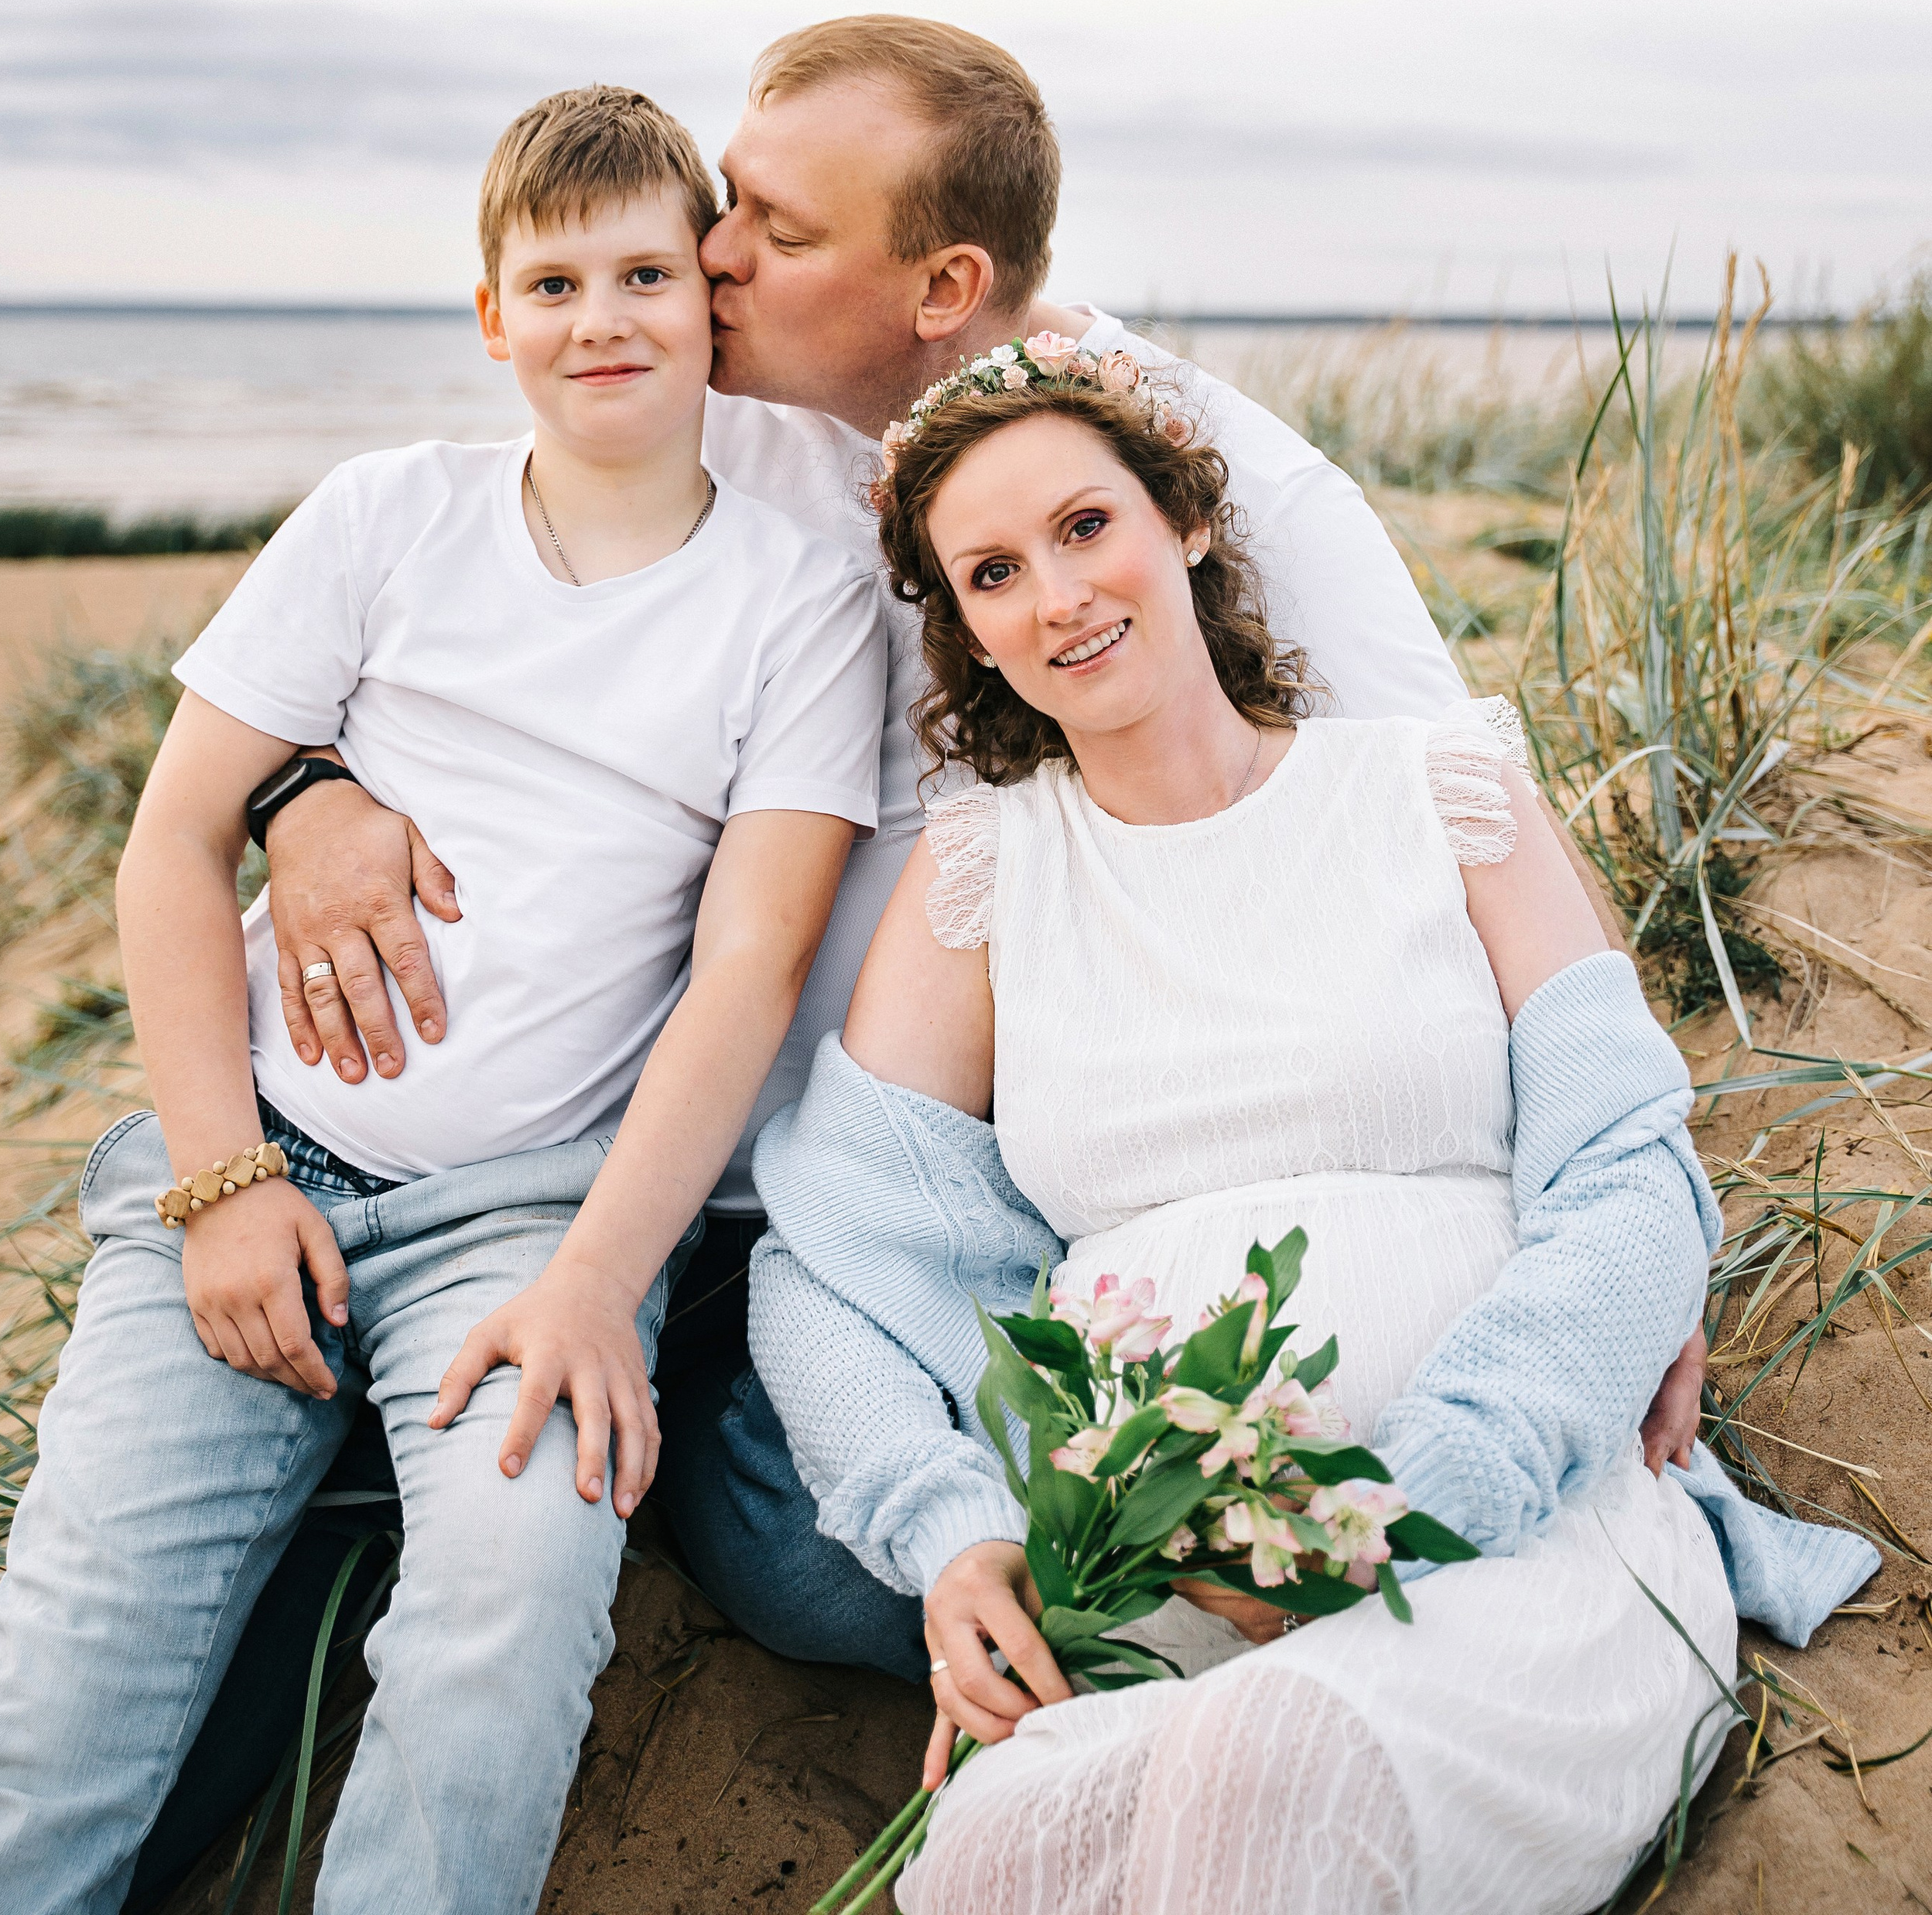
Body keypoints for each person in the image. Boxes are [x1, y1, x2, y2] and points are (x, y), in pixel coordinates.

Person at [252, 15, 1705, 1677]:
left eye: (774, 234)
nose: (705, 257)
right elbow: (426, 612)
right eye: (728, 203)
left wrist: (1647, 1249)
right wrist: (300, 789)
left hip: (1030, 1187)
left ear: (940, 289)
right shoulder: (724, 424)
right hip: (686, 1176)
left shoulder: (1209, 486)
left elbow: (1466, 826)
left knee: (818, 1543)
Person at [747, 337, 1876, 1915]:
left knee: (1270, 1775)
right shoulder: (983, 880)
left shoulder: (1442, 791)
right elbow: (824, 1278)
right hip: (1171, 1578)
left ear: (1186, 523)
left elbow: (1627, 1174)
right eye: (992, 573)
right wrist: (943, 1531)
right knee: (996, 1854)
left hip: (1516, 1533)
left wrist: (1426, 1494)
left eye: (1086, 528)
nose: (1057, 596)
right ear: (968, 633)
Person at [0, 85, 887, 1915]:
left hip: (527, 1229)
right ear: (489, 318)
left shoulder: (797, 602)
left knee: (498, 1653)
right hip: (252, 1178)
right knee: (72, 1690)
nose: (598, 319)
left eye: (641, 274)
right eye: (550, 282)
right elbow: (169, 854)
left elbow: (747, 967)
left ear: (708, 298)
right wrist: (221, 1186)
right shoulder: (387, 516)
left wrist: (597, 1286)